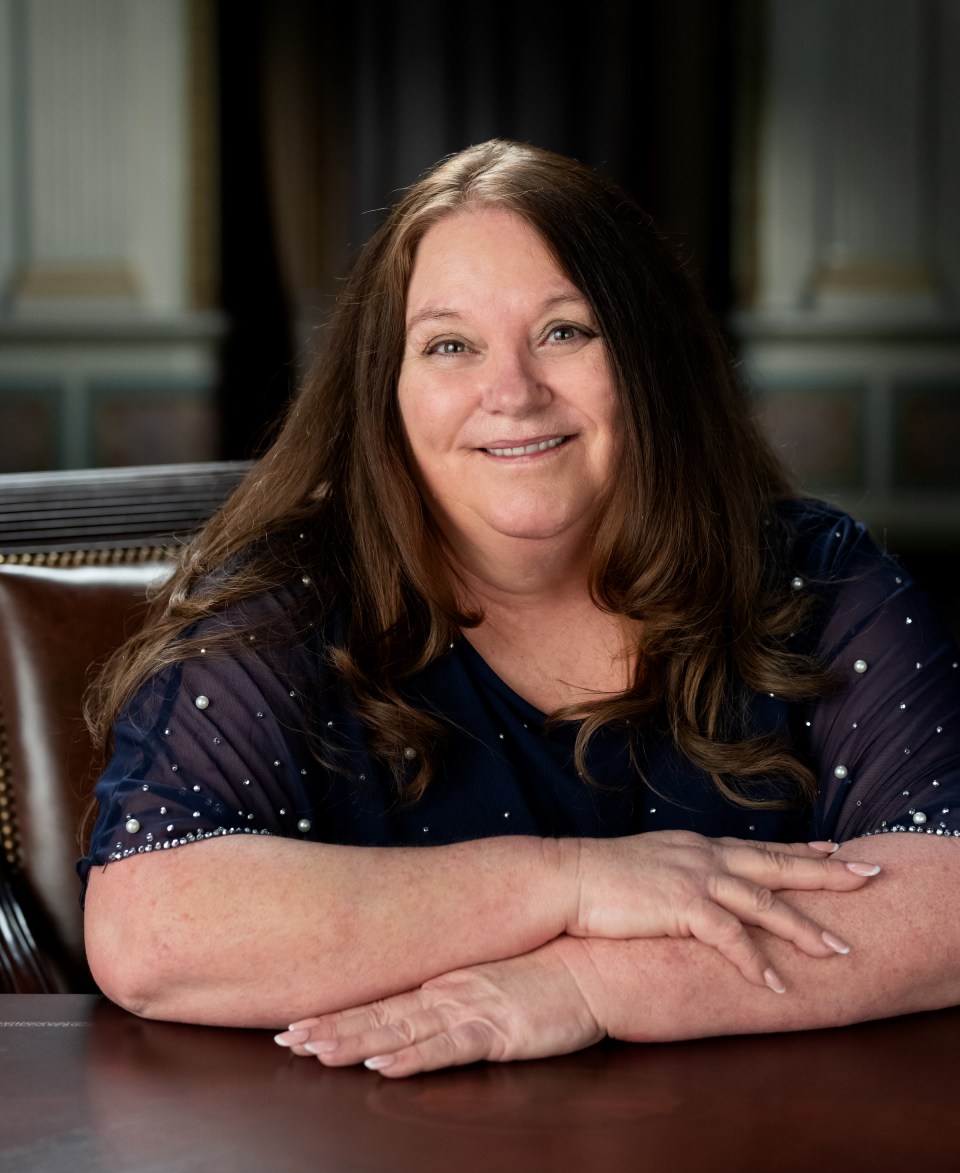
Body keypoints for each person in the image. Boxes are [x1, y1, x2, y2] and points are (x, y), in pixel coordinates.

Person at [81, 140, 960, 1077]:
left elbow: (946, 891)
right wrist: (569, 884)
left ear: (650, 361)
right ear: (385, 391)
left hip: (748, 1157)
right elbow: (153, 930)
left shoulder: (813, 578)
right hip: (371, 1159)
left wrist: (587, 987)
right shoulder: (285, 599)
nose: (512, 393)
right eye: (450, 345)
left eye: (565, 332)